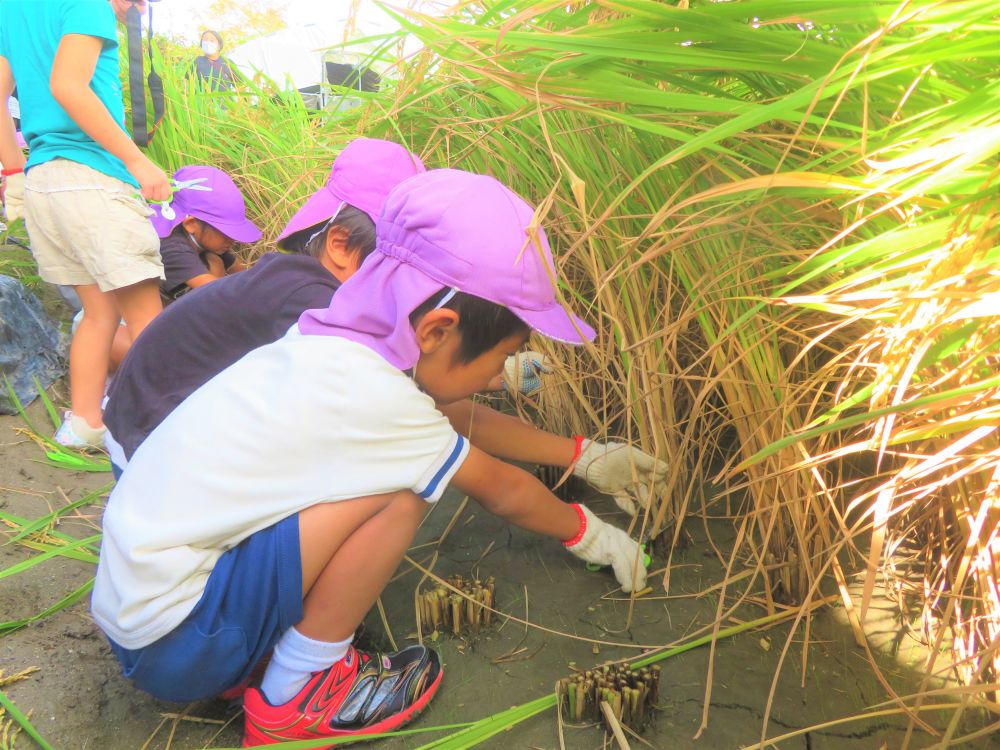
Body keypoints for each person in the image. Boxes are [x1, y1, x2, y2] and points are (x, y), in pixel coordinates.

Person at [91, 169, 663, 746]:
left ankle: (260, 659)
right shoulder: (382, 400)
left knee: (388, 474)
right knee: (402, 494)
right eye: (505, 354)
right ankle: (300, 693)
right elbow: (503, 490)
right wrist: (589, 533)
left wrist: (581, 455)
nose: (497, 375)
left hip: (140, 613)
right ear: (438, 329)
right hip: (181, 641)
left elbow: (446, 410)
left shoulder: (317, 341)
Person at [0, 0, 170, 450]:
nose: (133, 8)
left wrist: (14, 171)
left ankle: (84, 425)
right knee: (147, 319)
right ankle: (165, 429)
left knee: (97, 313)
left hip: (43, 180)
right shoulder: (88, 4)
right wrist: (136, 160)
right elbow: (67, 86)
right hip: (93, 177)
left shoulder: (13, 10)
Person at [150, 164, 258, 302]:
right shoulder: (172, 247)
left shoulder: (208, 239)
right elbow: (217, 298)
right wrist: (217, 270)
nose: (232, 239)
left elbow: (248, 276)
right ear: (191, 224)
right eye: (225, 232)